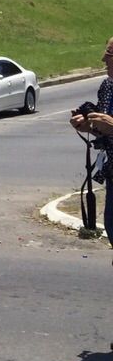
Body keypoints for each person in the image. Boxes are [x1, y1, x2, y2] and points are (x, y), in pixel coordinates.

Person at [69, 38, 113, 245]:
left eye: (110, 54)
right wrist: (88, 126)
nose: (103, 59)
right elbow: (105, 129)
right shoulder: (107, 86)